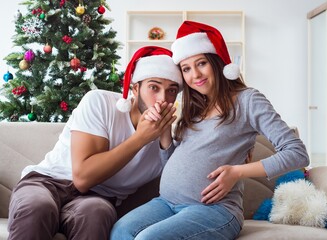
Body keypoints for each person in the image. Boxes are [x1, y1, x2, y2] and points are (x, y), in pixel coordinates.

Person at [110, 21, 310, 240]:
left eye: (201, 63)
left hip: (215, 210)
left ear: (216, 62)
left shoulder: (248, 100)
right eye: (186, 69)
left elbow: (297, 153)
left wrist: (237, 172)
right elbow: (171, 165)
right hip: (167, 203)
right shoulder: (194, 109)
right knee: (121, 230)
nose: (195, 74)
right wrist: (165, 131)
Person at [7, 46, 184, 240]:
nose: (162, 99)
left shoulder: (170, 141)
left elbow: (175, 188)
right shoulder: (100, 102)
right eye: (154, 87)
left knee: (96, 213)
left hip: (97, 199)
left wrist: (164, 136)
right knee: (37, 206)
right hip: (48, 182)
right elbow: (83, 178)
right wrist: (140, 138)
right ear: (135, 88)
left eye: (172, 91)